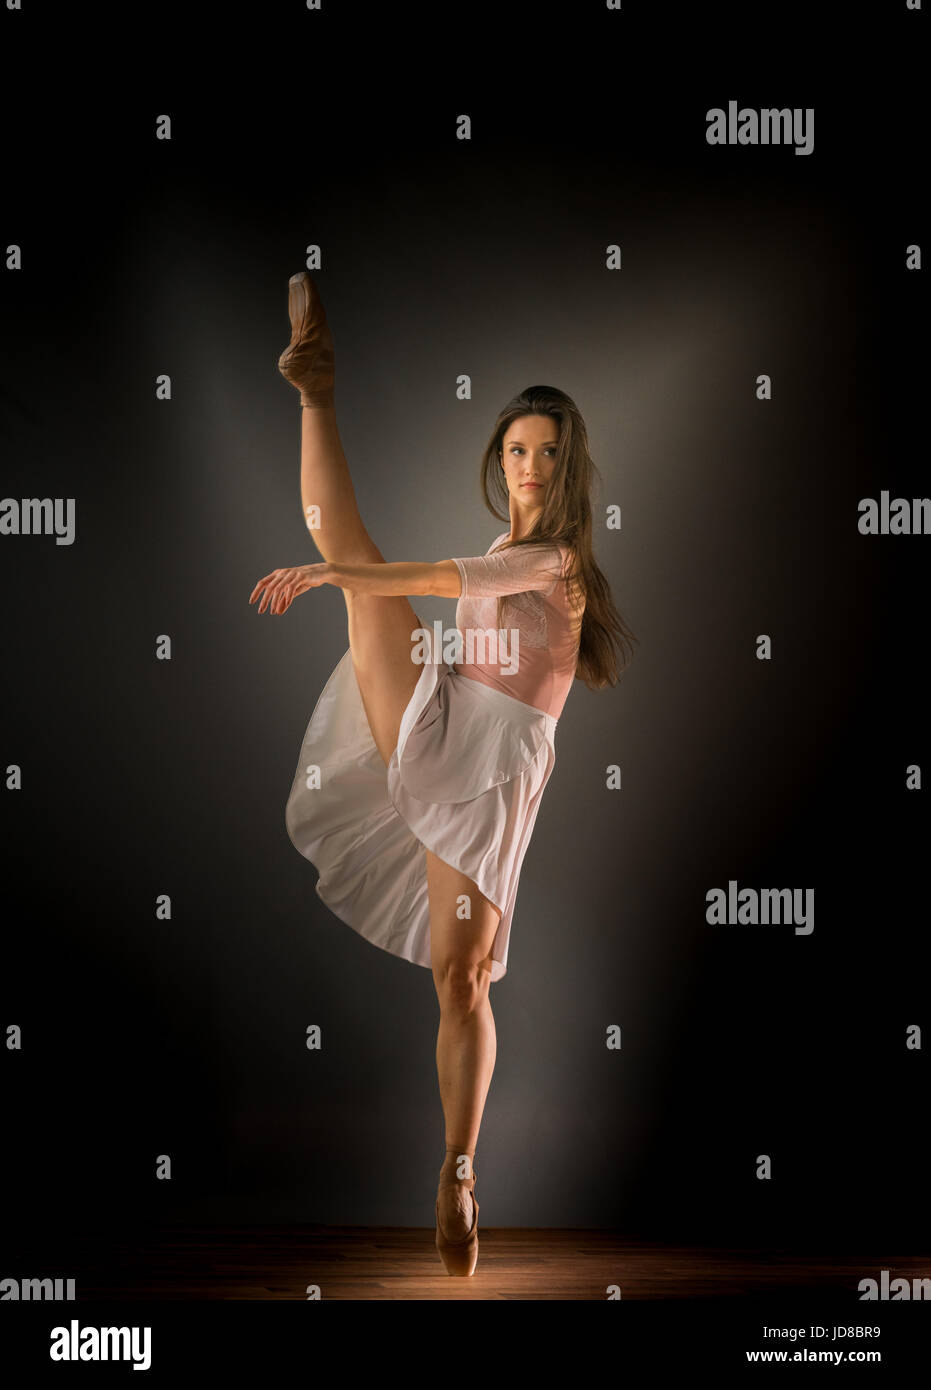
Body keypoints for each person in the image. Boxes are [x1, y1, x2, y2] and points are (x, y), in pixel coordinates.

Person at [249, 272, 636, 1276]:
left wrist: (348, 580)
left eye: (548, 453)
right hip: (439, 706)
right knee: (347, 550)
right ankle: (315, 387)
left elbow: (443, 580)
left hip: (491, 767)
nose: (530, 467)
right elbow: (425, 586)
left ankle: (459, 1170)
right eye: (516, 450)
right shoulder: (507, 541)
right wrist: (345, 575)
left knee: (457, 978)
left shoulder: (555, 566)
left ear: (571, 469)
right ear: (498, 461)